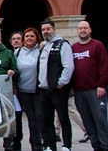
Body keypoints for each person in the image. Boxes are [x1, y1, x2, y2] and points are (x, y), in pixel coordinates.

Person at [71, 21, 108, 151]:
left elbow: (104, 66)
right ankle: (96, 147)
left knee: (100, 121)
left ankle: (106, 146)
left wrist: (102, 85)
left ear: (90, 30)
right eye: (80, 28)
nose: (82, 30)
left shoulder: (97, 45)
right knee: (87, 122)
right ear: (77, 31)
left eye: (85, 28)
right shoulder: (74, 48)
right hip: (79, 91)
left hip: (95, 90)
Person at [37, 20, 74, 151]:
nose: (46, 32)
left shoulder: (63, 44)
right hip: (44, 89)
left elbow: (68, 66)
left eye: (48, 29)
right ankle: (50, 145)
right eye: (43, 29)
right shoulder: (43, 46)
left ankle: (66, 145)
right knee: (46, 119)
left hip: (57, 89)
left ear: (54, 29)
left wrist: (61, 83)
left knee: (63, 118)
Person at [14, 28, 43, 151]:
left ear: (36, 37)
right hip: (21, 90)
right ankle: (17, 143)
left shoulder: (41, 50)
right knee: (18, 118)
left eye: (32, 36)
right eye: (27, 36)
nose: (29, 38)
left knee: (35, 118)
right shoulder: (18, 52)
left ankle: (36, 143)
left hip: (36, 90)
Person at [7, 32, 24, 151]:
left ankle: (19, 140)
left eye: (18, 39)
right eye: (14, 39)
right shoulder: (9, 54)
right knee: (13, 117)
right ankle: (14, 141)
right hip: (12, 90)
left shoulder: (24, 54)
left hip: (24, 89)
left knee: (19, 116)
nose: (16, 41)